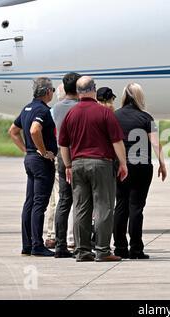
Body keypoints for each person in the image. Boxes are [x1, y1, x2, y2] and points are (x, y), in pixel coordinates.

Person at [59, 76, 128, 262]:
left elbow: (63, 144)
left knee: (81, 207)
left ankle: (82, 251)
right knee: (104, 207)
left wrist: (67, 165)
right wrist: (123, 163)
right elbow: (116, 141)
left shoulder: (71, 114)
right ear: (93, 89)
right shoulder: (104, 112)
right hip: (101, 163)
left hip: (78, 164)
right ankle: (103, 250)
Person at [113, 83, 167, 259]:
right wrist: (162, 163)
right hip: (141, 167)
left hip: (120, 165)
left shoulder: (114, 116)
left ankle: (120, 247)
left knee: (120, 206)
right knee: (136, 207)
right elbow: (155, 143)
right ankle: (136, 249)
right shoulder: (146, 118)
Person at [8, 77, 57, 257]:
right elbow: (35, 130)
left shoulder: (27, 108)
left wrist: (27, 150)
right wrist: (42, 151)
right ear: (46, 92)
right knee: (39, 204)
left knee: (29, 202)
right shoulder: (42, 110)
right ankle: (37, 244)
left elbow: (13, 131)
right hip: (41, 162)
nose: (52, 92)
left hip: (30, 159)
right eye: (51, 89)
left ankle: (27, 244)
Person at [51, 72, 81, 258]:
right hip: (79, 154)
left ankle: (60, 244)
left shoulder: (57, 108)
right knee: (82, 202)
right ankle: (80, 243)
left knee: (64, 200)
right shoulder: (81, 107)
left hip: (62, 156)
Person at [44, 83, 66, 249]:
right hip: (73, 153)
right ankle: (71, 236)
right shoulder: (77, 108)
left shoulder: (52, 111)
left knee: (55, 196)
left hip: (56, 152)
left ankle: (51, 234)